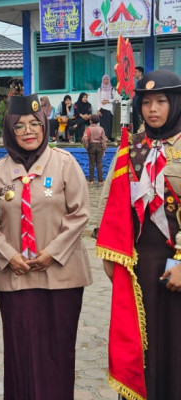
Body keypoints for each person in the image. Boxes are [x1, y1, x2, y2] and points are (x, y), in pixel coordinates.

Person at [0, 94, 92, 400]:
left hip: (62, 275)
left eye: (34, 124)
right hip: (16, 275)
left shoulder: (65, 164)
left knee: (57, 351)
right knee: (21, 351)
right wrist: (9, 255)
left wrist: (52, 253)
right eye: (19, 127)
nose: (28, 131)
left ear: (44, 126)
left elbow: (80, 212)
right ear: (9, 131)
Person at [97, 70, 181, 400]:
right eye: (146, 103)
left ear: (175, 104)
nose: (153, 109)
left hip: (175, 259)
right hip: (138, 263)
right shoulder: (131, 147)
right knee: (140, 343)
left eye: (161, 101)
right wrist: (109, 253)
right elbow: (110, 203)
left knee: (173, 343)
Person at [82, 114, 106, 186]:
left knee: (91, 164)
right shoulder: (101, 129)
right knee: (99, 163)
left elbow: (85, 138)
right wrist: (104, 149)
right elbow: (104, 139)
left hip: (91, 146)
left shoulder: (88, 129)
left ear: (91, 121)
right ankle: (100, 181)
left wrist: (86, 146)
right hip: (99, 146)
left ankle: (91, 180)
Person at [96, 75, 121, 142]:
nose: (106, 81)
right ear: (102, 80)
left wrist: (108, 101)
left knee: (109, 123)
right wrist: (98, 109)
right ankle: (104, 137)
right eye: (104, 79)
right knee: (103, 124)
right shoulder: (100, 89)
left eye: (107, 79)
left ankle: (109, 137)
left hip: (110, 108)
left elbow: (116, 98)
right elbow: (98, 99)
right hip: (102, 108)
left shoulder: (112, 89)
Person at [132, 66, 144, 133]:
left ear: (140, 73)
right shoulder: (137, 83)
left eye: (136, 72)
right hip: (135, 104)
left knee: (139, 122)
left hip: (138, 105)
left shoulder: (142, 82)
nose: (134, 73)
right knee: (135, 122)